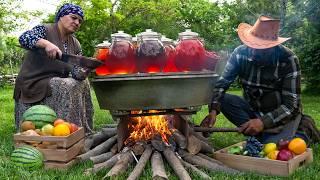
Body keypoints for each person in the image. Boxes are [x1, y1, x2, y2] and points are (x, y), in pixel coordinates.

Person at [201, 15, 319, 144]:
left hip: (279, 116)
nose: (254, 52)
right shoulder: (239, 53)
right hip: (252, 111)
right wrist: (213, 111)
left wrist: (263, 122)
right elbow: (222, 84)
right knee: (224, 99)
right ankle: (260, 133)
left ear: (273, 46)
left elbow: (291, 106)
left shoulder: (288, 59)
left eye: (262, 48)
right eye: (252, 45)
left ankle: (299, 129)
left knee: (277, 146)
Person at [14, 3, 93, 133]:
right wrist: (46, 44)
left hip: (53, 81)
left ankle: (82, 131)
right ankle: (61, 132)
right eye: (73, 17)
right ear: (61, 16)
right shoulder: (45, 29)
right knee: (64, 84)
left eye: (80, 21)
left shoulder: (75, 43)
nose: (77, 22)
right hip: (33, 82)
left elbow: (76, 72)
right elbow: (24, 38)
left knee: (83, 83)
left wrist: (84, 71)